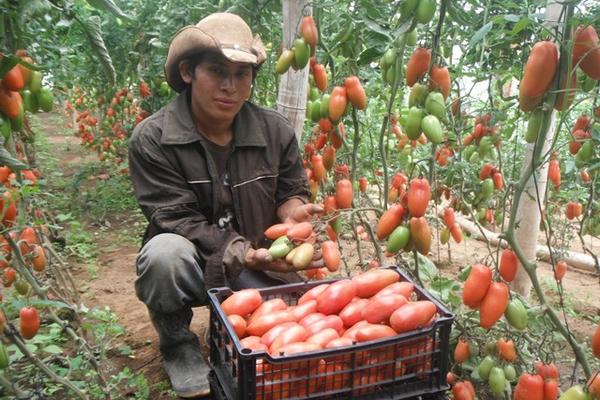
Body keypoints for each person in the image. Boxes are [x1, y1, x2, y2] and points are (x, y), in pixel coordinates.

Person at [127, 12, 323, 398]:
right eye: (217, 71)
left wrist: (293, 216)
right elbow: (176, 219)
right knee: (164, 256)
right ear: (188, 71)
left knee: (288, 331)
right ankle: (179, 347)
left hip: (257, 256)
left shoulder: (274, 131)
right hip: (196, 262)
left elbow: (290, 192)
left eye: (242, 74)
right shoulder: (153, 139)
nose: (230, 87)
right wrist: (244, 254)